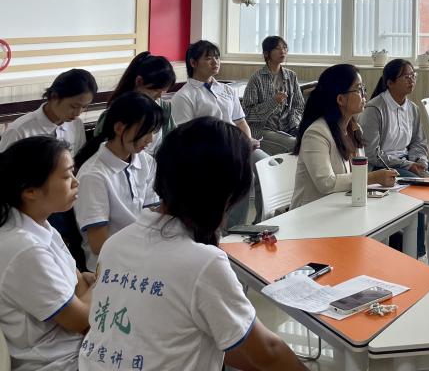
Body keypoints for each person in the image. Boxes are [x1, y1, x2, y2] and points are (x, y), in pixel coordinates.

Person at [78, 118, 304, 371]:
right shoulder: (204, 264)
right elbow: (269, 352)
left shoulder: (115, 244)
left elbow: (195, 340)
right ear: (225, 196)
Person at [362, 60, 429, 258]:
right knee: (417, 188)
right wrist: (408, 164)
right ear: (390, 82)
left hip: (407, 160)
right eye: (406, 76)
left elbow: (418, 141)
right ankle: (418, 252)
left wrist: (420, 160)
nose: (412, 80)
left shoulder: (411, 108)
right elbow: (373, 153)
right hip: (382, 168)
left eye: (413, 75)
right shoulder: (375, 108)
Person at [0, 136, 93, 371]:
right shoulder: (24, 249)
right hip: (58, 362)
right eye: (67, 176)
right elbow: (81, 320)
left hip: (76, 347)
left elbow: (80, 283)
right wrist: (104, 281)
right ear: (31, 191)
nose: (76, 182)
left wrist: (89, 288)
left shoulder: (41, 225)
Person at [171, 40, 267, 226]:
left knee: (266, 165)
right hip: (211, 153)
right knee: (243, 177)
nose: (215, 62)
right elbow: (186, 137)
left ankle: (262, 222)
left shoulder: (226, 90)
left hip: (237, 145)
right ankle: (234, 229)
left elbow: (240, 121)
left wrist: (247, 141)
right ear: (193, 63)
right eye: (208, 58)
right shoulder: (184, 96)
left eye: (217, 57)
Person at [74, 92, 165, 271]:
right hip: (110, 267)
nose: (150, 140)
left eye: (153, 132)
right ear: (119, 128)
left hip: (143, 254)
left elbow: (153, 215)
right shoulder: (93, 175)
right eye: (146, 132)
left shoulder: (146, 161)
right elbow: (99, 245)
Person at [291, 64, 397, 210]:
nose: (364, 94)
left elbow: (355, 175)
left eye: (363, 88)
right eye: (358, 89)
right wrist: (373, 177)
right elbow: (326, 183)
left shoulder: (354, 128)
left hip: (341, 207)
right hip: (311, 213)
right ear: (340, 99)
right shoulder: (316, 134)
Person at [95, 52, 176, 155]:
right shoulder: (116, 112)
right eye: (156, 90)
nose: (159, 96)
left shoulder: (163, 107)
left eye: (163, 91)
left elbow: (173, 140)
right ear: (139, 81)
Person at [0, 68, 96, 154]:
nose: (78, 113)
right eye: (73, 106)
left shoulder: (76, 124)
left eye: (84, 107)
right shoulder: (19, 131)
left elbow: (77, 159)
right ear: (54, 97)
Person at [241, 36, 305, 156]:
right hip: (263, 130)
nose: (283, 51)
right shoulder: (257, 78)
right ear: (266, 53)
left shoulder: (291, 76)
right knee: (296, 145)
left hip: (287, 129)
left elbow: (298, 106)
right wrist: (273, 101)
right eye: (277, 48)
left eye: (284, 48)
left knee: (310, 141)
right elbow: (247, 113)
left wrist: (294, 126)